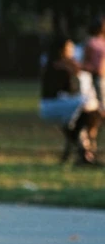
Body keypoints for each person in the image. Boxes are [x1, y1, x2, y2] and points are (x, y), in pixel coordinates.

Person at [39, 34, 100, 165]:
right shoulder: (59, 66)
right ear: (62, 49)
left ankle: (81, 149)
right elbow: (70, 89)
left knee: (87, 111)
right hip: (53, 105)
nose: (72, 49)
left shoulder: (65, 64)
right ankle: (82, 149)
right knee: (88, 105)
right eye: (69, 47)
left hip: (63, 103)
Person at [82, 18, 105, 106]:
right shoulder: (91, 42)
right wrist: (93, 69)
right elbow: (85, 61)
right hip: (97, 76)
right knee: (101, 100)